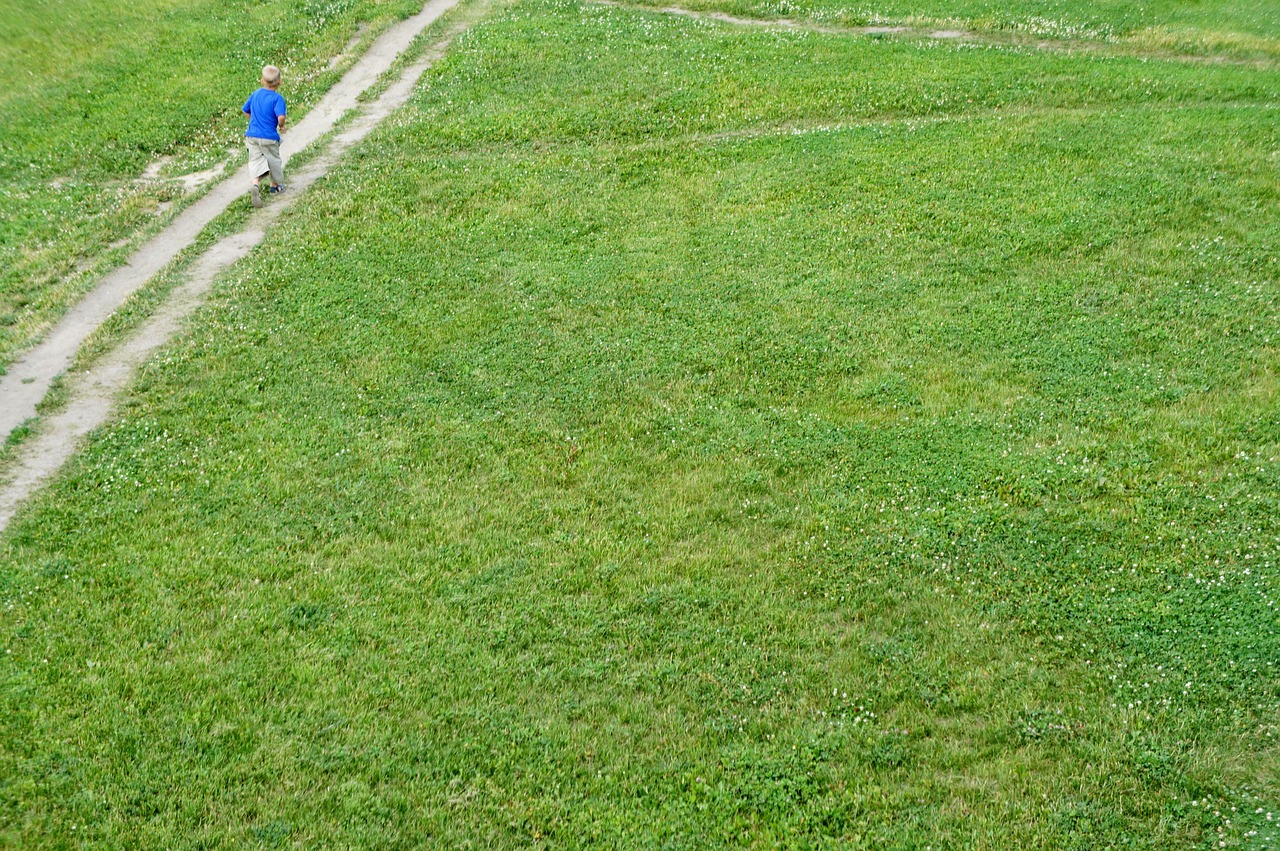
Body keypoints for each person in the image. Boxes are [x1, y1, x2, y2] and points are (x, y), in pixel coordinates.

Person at [243, 65, 287, 208]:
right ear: (279, 82)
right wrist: (281, 126)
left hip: (252, 136)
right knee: (272, 159)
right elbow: (280, 117)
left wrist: (252, 120)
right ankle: (274, 186)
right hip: (269, 137)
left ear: (262, 81)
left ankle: (255, 184)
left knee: (255, 160)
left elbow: (245, 110)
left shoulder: (255, 94)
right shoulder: (277, 99)